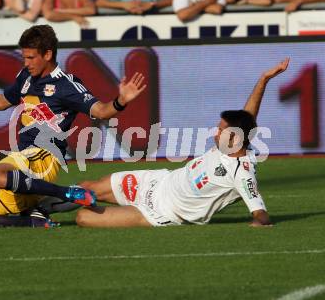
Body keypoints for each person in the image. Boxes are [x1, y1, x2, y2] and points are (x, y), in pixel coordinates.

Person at [0, 24, 146, 230]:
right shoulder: (26, 77)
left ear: (47, 54)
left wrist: (122, 100)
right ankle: (31, 220)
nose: (26, 63)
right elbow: (1, 101)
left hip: (44, 158)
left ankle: (65, 193)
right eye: (24, 57)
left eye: (30, 57)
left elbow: (101, 111)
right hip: (24, 168)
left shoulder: (66, 85)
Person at [74, 58, 290, 228]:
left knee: (83, 217)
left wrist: (260, 221)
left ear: (235, 137)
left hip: (160, 213)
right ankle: (39, 208)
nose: (215, 133)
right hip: (155, 182)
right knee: (87, 188)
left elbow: (260, 212)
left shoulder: (242, 171)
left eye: (221, 130)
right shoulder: (236, 142)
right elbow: (248, 116)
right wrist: (264, 80)